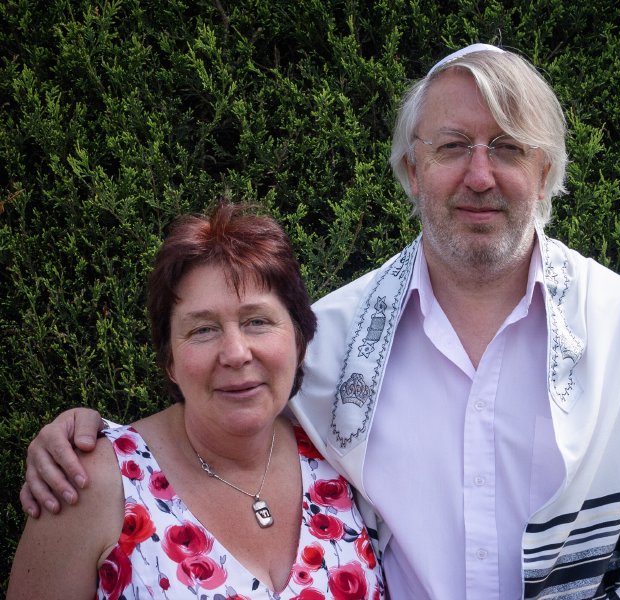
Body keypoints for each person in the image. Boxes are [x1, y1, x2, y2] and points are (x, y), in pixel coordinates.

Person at [19, 44, 620, 599]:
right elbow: (219, 433)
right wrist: (84, 440)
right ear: (409, 170)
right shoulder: (328, 346)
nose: (481, 175)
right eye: (453, 146)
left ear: (549, 171)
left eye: (510, 148)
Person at [8, 203, 385, 599]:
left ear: (298, 336)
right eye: (203, 329)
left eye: (257, 321)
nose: (236, 353)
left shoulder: (341, 451)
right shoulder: (87, 484)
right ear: (169, 359)